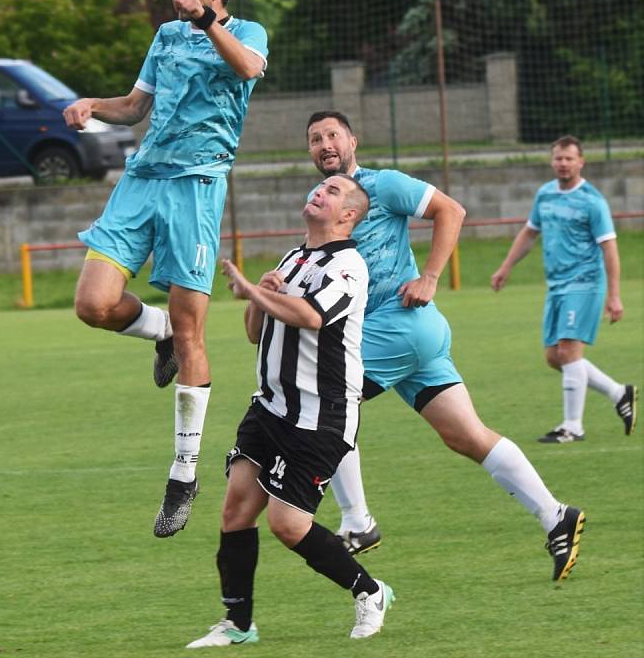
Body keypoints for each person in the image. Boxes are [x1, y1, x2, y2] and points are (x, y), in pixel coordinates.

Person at [306, 111, 585, 583]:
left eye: (333, 134)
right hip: (416, 334)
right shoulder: (322, 200)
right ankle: (556, 515)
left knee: (323, 398)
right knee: (467, 436)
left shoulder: (381, 183)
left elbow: (450, 211)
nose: (325, 143)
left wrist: (430, 276)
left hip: (398, 323)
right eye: (315, 139)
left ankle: (358, 522)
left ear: (354, 139)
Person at [62, 0, 268, 538]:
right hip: (142, 179)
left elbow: (247, 69)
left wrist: (204, 20)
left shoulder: (247, 31)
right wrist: (92, 105)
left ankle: (183, 475)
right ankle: (160, 335)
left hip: (197, 187)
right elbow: (133, 108)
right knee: (93, 305)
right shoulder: (165, 35)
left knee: (195, 330)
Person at [186, 174, 394, 648]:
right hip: (270, 407)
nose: (320, 191)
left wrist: (252, 290)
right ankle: (238, 625)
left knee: (287, 524)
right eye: (320, 187)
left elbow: (311, 316)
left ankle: (370, 590)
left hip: (319, 418)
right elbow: (255, 333)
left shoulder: (348, 266)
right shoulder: (294, 257)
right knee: (236, 508)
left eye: (334, 191)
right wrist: (259, 294)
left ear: (348, 215)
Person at [491, 135, 637, 443]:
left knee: (569, 350)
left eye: (569, 158)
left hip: (585, 283)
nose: (563, 163)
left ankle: (573, 426)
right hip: (557, 286)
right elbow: (529, 234)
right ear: (552, 160)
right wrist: (505, 267)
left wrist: (614, 295)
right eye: (558, 157)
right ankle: (618, 392)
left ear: (581, 162)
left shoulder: (593, 201)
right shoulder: (545, 195)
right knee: (554, 357)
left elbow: (610, 249)